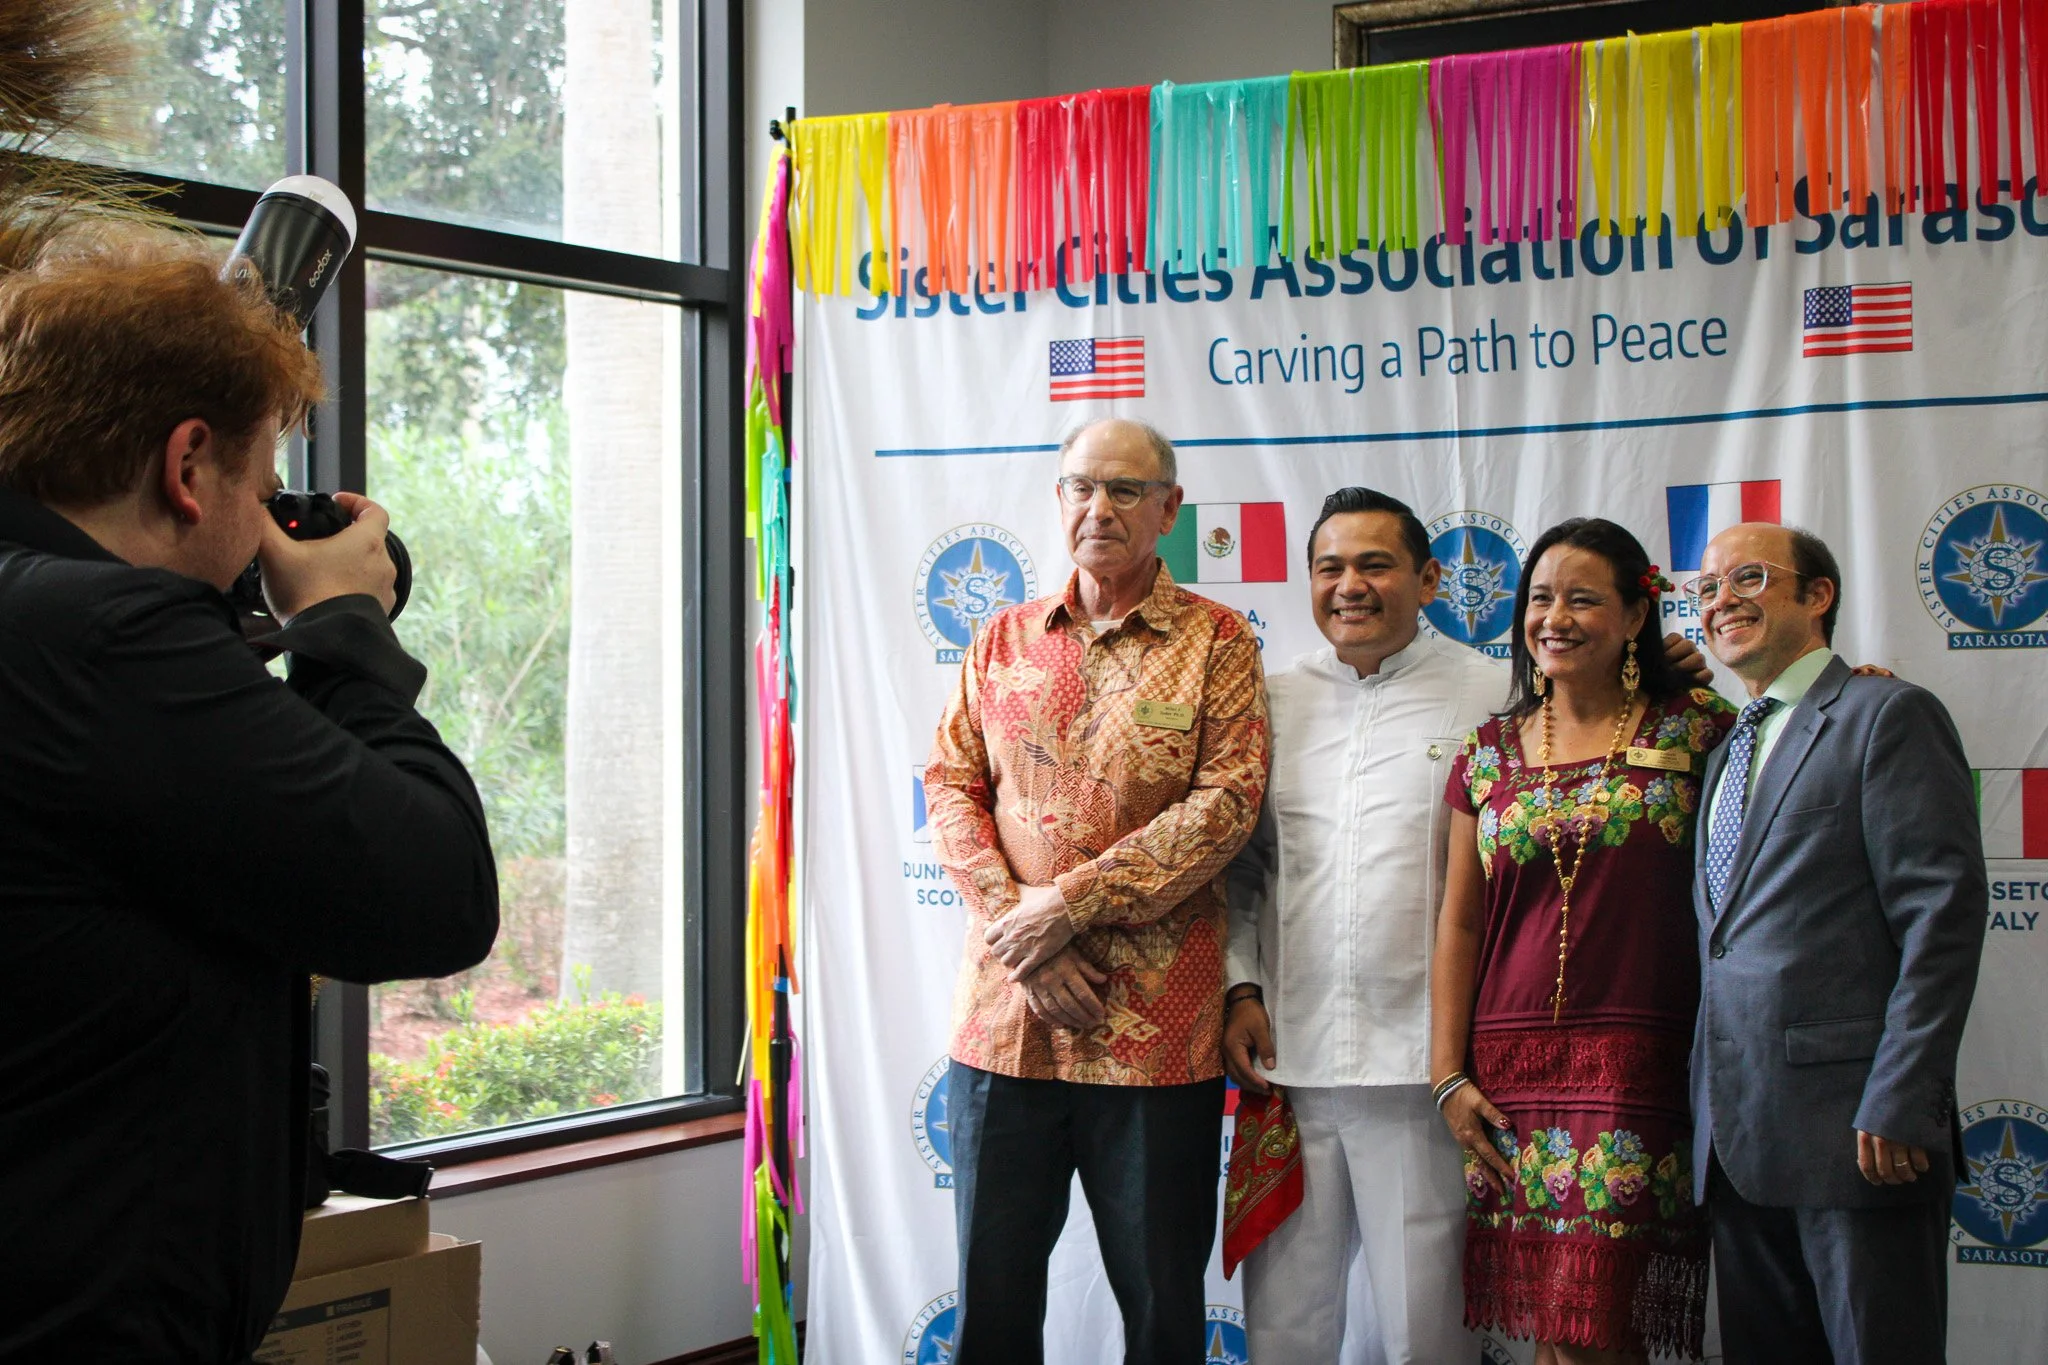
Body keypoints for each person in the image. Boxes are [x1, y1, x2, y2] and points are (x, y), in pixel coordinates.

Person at [0, 235, 498, 1360]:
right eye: (262, 489)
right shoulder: (105, 643)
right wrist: (343, 635)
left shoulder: (39, 623)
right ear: (187, 467)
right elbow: (437, 894)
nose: (269, 528)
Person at [923, 417, 1268, 1365]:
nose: (1098, 508)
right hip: (1006, 1026)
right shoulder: (1000, 640)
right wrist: (1018, 932)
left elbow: (1227, 804)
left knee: (1161, 1308)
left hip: (1156, 1037)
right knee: (991, 1304)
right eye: (1081, 486)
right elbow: (950, 785)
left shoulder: (1218, 643)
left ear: (1169, 508)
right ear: (1060, 498)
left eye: (1123, 490)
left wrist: (1066, 904)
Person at [1431, 518, 1734, 1365]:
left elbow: (1795, 758)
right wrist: (1446, 1074)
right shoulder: (1484, 754)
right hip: (1510, 1075)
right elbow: (1459, 921)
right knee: (1558, 1332)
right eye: (1539, 597)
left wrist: (1853, 688)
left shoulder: (1699, 731)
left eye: (1583, 598)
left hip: (1643, 1064)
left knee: (1599, 1325)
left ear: (1637, 617)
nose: (1553, 617)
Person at [1686, 523, 1985, 1365]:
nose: (1721, 601)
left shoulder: (1887, 714)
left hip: (1859, 1136)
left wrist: (1905, 1094)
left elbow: (1943, 916)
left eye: (1748, 577)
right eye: (1706, 588)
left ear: (1818, 596)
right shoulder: (1723, 751)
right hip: (1737, 1141)